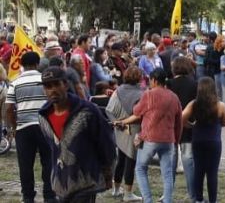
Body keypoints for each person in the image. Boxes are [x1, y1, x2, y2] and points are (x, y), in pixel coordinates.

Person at [38, 67, 116, 202]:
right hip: (61, 181)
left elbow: (106, 143)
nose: (53, 90)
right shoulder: (43, 116)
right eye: (48, 86)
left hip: (85, 180)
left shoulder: (87, 111)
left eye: (57, 84)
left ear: (66, 84)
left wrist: (107, 172)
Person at [117, 68, 183, 203]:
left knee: (140, 168)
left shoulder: (148, 95)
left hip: (150, 138)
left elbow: (136, 111)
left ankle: (148, 200)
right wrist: (176, 140)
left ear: (153, 80)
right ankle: (168, 200)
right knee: (167, 174)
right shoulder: (174, 97)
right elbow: (179, 121)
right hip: (169, 139)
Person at [5, 52, 56, 203]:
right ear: (37, 63)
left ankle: (28, 197)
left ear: (22, 64)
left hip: (23, 128)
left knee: (25, 164)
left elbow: (8, 108)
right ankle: (50, 195)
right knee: (48, 161)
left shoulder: (15, 82)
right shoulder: (45, 80)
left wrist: (14, 126)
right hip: (45, 126)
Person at [182, 77, 225, 203]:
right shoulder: (220, 105)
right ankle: (213, 200)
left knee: (199, 170)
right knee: (212, 172)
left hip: (198, 140)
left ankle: (199, 199)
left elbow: (181, 118)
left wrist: (190, 125)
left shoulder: (194, 104)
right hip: (214, 141)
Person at [106, 67, 145, 201]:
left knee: (121, 159)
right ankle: (128, 193)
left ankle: (116, 189)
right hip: (134, 128)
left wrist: (117, 123)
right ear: (139, 78)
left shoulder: (118, 91)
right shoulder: (142, 93)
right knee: (131, 160)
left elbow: (109, 109)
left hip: (119, 129)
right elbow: (141, 114)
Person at [167, 56, 198, 201]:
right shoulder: (194, 84)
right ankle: (192, 194)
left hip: (171, 126)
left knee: (170, 160)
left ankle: (167, 194)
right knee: (188, 160)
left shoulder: (169, 84)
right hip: (188, 124)